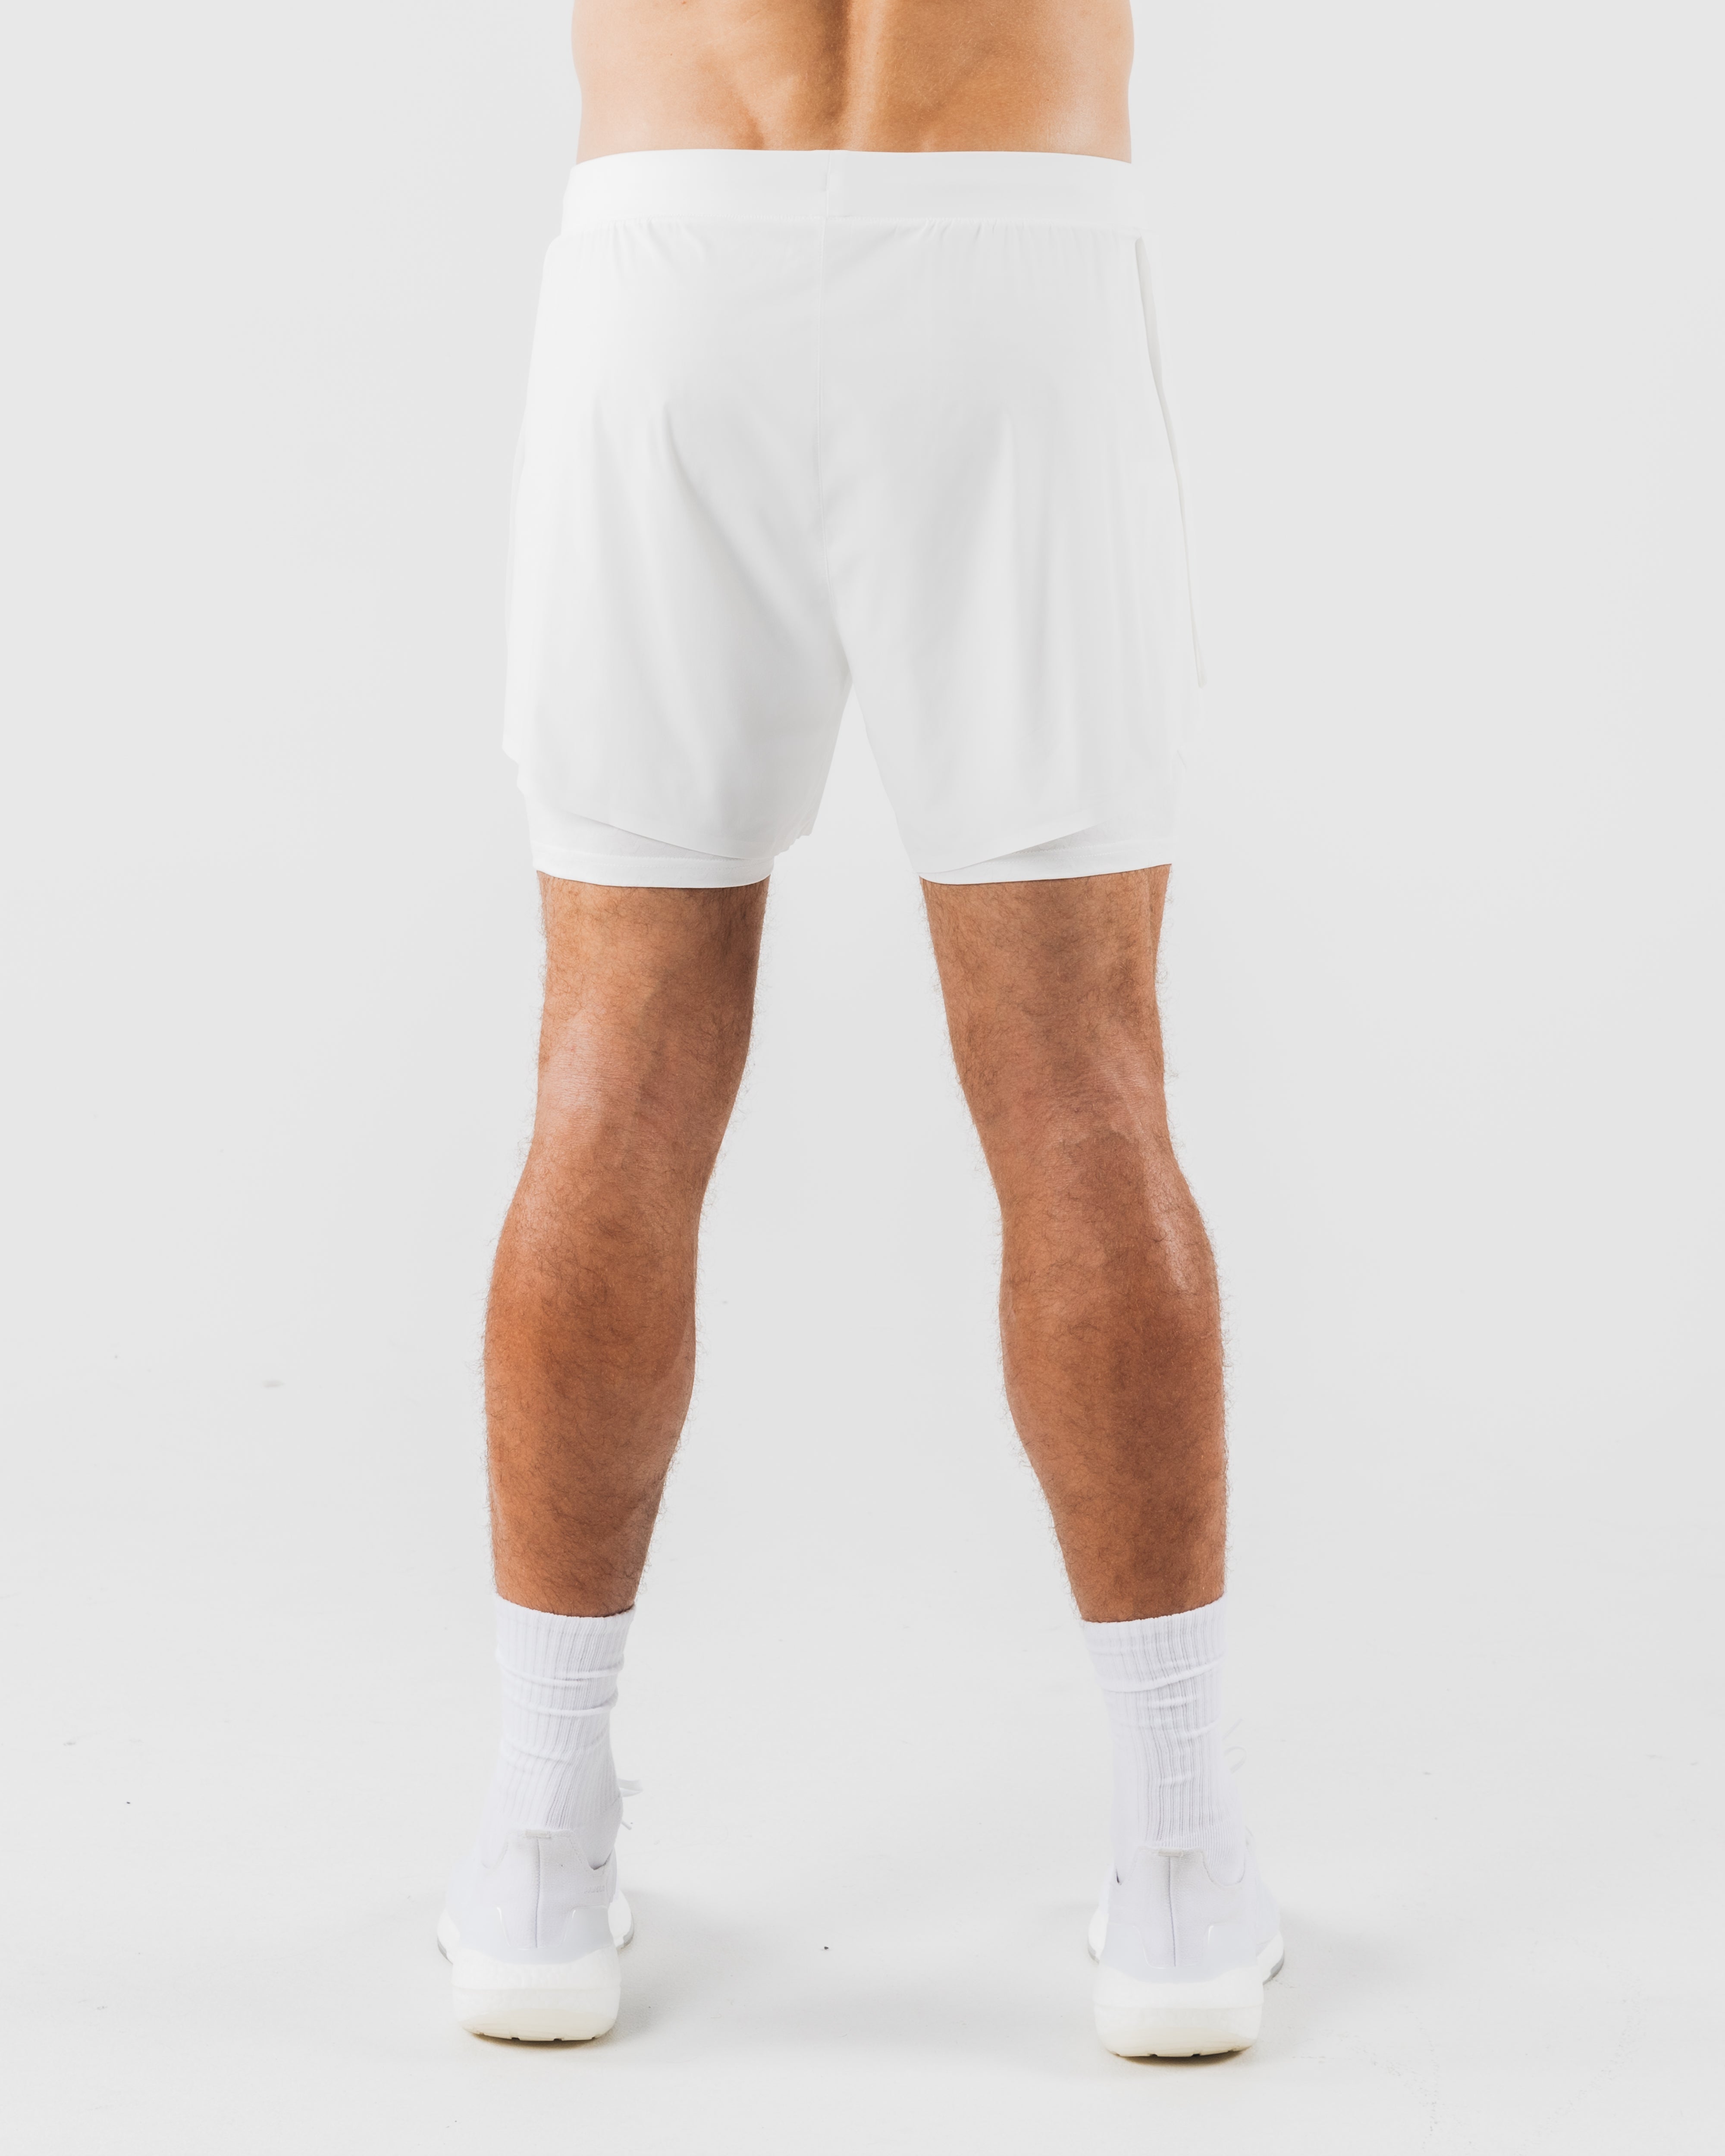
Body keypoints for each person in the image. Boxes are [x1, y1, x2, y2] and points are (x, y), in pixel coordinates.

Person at [438, 0, 1281, 2059]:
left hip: (676, 247)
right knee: (1084, 1080)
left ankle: (541, 1847)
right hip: (1009, 247)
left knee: (612, 1070)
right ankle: (1179, 1872)